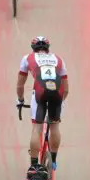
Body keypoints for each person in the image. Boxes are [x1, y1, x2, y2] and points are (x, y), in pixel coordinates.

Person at [15, 36, 68, 171]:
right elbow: (66, 89)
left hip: (40, 92)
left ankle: (34, 166)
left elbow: (20, 85)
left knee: (37, 128)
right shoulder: (58, 59)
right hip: (57, 92)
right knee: (55, 126)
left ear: (33, 49)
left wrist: (20, 100)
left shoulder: (28, 58)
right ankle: (54, 160)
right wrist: (60, 102)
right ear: (48, 48)